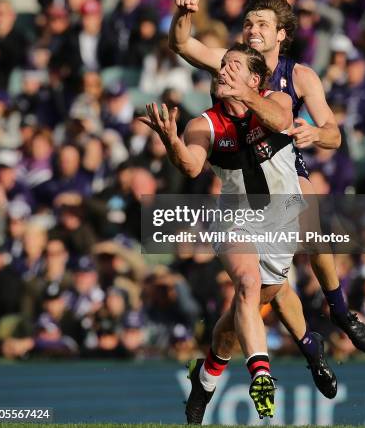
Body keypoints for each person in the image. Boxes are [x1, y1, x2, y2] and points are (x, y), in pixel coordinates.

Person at [168, 0, 365, 358]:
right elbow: (182, 42)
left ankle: (340, 311)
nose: (252, 30)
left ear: (281, 34)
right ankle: (306, 346)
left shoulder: (299, 75)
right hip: (238, 170)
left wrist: (316, 134)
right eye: (248, 23)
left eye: (262, 24)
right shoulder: (231, 62)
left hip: (279, 162)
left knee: (313, 226)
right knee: (270, 286)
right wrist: (183, 13)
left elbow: (334, 133)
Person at [140, 44, 337, 421]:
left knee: (246, 308)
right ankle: (261, 375)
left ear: (254, 78)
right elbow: (192, 167)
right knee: (246, 285)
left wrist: (245, 93)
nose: (223, 71)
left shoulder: (276, 99)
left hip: (281, 223)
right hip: (234, 220)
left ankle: (207, 376)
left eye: (233, 66)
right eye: (221, 66)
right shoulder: (204, 123)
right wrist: (171, 141)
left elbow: (280, 121)